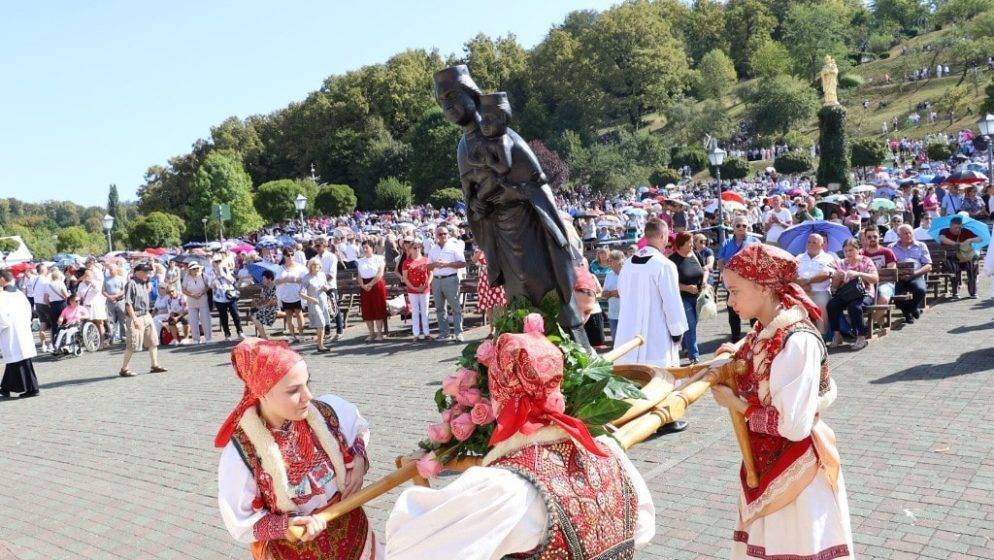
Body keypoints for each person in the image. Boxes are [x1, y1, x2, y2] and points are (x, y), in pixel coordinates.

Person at [385, 315, 655, 558]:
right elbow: (641, 529)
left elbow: (410, 550)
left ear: (497, 395)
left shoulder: (505, 487)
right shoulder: (607, 451)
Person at [712, 243, 853, 560]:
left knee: (794, 545)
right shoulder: (765, 329)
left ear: (763, 287)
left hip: (797, 470)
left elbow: (794, 425)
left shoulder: (796, 340)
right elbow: (754, 355)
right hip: (766, 463)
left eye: (735, 291)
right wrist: (733, 354)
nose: (730, 301)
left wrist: (736, 404)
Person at [216, 338, 381, 559]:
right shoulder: (242, 453)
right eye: (294, 390)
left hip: (355, 538)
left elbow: (359, 432)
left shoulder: (324, 412)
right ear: (261, 392)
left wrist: (359, 461)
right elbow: (241, 522)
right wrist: (288, 526)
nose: (308, 396)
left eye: (307, 383)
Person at [613, 219, 688, 370]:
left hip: (628, 330)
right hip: (656, 332)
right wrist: (677, 331)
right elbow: (671, 301)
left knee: (630, 377)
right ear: (663, 236)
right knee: (657, 380)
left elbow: (621, 292)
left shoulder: (627, 264)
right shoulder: (665, 265)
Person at [828, 239, 878, 350]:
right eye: (845, 251)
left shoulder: (866, 261)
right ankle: (837, 335)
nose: (848, 253)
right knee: (831, 304)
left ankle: (861, 337)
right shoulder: (840, 263)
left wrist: (858, 274)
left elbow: (875, 279)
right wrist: (837, 277)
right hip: (846, 294)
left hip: (865, 294)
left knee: (854, 306)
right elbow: (834, 286)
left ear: (858, 250)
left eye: (851, 250)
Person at [119, 263, 167, 377]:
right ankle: (124, 368)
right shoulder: (131, 284)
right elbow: (128, 304)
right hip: (135, 316)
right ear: (137, 272)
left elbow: (154, 275)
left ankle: (154, 365)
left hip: (146, 315)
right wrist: (134, 319)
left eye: (148, 272)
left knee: (153, 341)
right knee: (133, 344)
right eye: (145, 272)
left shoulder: (144, 283)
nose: (147, 274)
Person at [718, 216, 760, 341]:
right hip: (732, 284)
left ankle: (756, 337)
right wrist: (727, 274)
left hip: (750, 284)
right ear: (733, 227)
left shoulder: (755, 241)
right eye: (738, 226)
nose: (741, 228)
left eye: (744, 226)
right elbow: (720, 262)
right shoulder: (726, 243)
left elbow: (762, 260)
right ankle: (735, 338)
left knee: (754, 311)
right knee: (732, 311)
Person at [0, 269, 40, 398]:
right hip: (22, 329)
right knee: (16, 359)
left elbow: (2, 318)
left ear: (2, 279)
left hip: (11, 332)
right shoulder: (20, 294)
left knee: (20, 359)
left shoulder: (2, 296)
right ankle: (5, 387)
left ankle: (32, 388)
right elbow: (29, 311)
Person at [669, 231, 705, 364]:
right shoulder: (672, 260)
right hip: (682, 297)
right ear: (681, 243)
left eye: (692, 242)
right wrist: (686, 287)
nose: (692, 244)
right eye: (689, 242)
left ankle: (686, 345)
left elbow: (704, 269)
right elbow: (670, 282)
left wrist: (705, 281)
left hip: (698, 296)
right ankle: (694, 355)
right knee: (691, 325)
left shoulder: (695, 254)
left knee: (691, 324)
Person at [427, 226, 466, 342]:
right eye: (440, 234)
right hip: (436, 279)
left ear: (448, 234)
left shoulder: (454, 246)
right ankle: (444, 333)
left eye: (444, 233)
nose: (442, 236)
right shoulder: (433, 249)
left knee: (455, 307)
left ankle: (458, 333)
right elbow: (428, 266)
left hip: (450, 278)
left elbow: (462, 263)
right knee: (439, 308)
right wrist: (435, 265)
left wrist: (446, 264)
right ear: (436, 235)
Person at [891, 224, 932, 324]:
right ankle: (909, 313)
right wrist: (899, 274)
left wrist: (914, 274)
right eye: (905, 233)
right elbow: (889, 264)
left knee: (921, 290)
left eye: (910, 233)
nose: (909, 235)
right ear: (899, 235)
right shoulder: (892, 247)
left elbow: (928, 265)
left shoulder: (921, 245)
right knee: (894, 295)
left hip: (916, 275)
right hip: (898, 277)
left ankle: (911, 309)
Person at [795, 234, 837, 333]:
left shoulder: (828, 258)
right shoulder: (799, 257)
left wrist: (808, 280)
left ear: (822, 245)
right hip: (800, 291)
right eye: (809, 242)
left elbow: (826, 273)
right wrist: (801, 285)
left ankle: (822, 334)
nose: (811, 244)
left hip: (820, 291)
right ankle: (798, 333)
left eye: (814, 242)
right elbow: (791, 273)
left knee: (821, 304)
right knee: (791, 304)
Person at [938, 215, 979, 298]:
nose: (957, 230)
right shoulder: (944, 231)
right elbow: (942, 238)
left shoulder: (965, 231)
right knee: (953, 267)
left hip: (965, 257)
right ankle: (955, 291)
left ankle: (973, 291)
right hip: (949, 257)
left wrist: (970, 240)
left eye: (959, 227)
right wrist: (956, 244)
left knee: (973, 265)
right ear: (950, 226)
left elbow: (979, 239)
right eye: (955, 227)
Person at [356, 239, 388, 341]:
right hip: (364, 287)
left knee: (378, 308)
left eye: (367, 247)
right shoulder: (360, 261)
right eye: (363, 247)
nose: (365, 249)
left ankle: (379, 333)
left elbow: (380, 274)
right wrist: (362, 285)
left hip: (377, 285)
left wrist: (370, 284)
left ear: (372, 248)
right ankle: (371, 333)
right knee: (367, 309)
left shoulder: (379, 258)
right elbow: (359, 275)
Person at [402, 240, 432, 341]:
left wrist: (426, 284)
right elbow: (405, 277)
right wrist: (413, 288)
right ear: (410, 249)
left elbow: (431, 273)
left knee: (425, 311)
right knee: (415, 312)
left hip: (424, 289)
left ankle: (427, 333)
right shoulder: (406, 262)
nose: (417, 249)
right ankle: (416, 334)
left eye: (419, 247)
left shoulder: (426, 260)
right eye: (415, 248)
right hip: (412, 290)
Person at [300, 258, 331, 352]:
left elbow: (327, 286)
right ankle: (320, 345)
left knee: (323, 323)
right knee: (321, 323)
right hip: (313, 303)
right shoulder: (306, 277)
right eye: (313, 264)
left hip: (323, 301)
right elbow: (300, 293)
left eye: (317, 264)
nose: (316, 266)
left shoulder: (322, 275)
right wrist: (311, 299)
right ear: (310, 266)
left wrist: (326, 287)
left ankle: (320, 344)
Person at [472, 248, 506, 336]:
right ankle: (492, 329)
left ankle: (504, 327)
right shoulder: (479, 249)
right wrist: (480, 250)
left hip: (496, 275)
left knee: (501, 303)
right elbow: (474, 260)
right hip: (484, 279)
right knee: (488, 305)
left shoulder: (496, 245)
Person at [275, 249, 306, 345]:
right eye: (288, 255)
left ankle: (301, 335)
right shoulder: (280, 268)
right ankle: (292, 335)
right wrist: (284, 279)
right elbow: (276, 282)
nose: (291, 257)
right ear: (284, 256)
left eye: (292, 255)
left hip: (297, 295)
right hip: (285, 295)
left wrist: (296, 280)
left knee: (299, 314)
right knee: (288, 315)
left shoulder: (300, 267)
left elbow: (306, 279)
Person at [861, 226, 897, 307]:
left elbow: (890, 273)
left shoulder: (887, 252)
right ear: (866, 239)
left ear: (879, 237)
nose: (872, 239)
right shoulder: (861, 254)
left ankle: (872, 320)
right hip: (866, 284)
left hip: (885, 283)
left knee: (883, 298)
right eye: (869, 237)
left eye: (875, 236)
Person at [316, 237, 343, 340]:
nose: (317, 248)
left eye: (319, 246)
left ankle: (339, 331)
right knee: (323, 309)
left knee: (334, 308)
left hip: (330, 286)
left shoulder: (332, 257)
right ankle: (327, 332)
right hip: (320, 287)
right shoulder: (316, 258)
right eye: (316, 246)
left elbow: (331, 274)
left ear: (324, 245)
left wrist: (319, 280)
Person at [76, 267, 108, 348]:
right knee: (89, 324)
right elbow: (79, 295)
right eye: (85, 275)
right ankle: (92, 342)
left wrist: (92, 283)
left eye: (89, 275)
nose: (87, 277)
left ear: (92, 276)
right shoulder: (81, 284)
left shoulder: (96, 282)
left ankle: (102, 341)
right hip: (86, 306)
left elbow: (98, 290)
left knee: (99, 323)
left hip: (96, 306)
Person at [213, 263, 245, 341]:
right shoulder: (211, 272)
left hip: (230, 296)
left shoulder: (225, 270)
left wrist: (223, 275)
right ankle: (227, 334)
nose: (218, 264)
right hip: (219, 298)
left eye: (219, 261)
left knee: (235, 314)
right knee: (224, 317)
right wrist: (216, 278)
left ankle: (240, 332)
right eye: (216, 262)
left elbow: (232, 281)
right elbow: (211, 286)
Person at [183, 263, 213, 344]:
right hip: (191, 301)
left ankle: (209, 338)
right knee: (193, 321)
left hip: (203, 299)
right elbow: (184, 289)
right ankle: (196, 339)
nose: (195, 270)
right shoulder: (187, 277)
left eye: (196, 268)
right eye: (193, 269)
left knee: (205, 320)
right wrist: (192, 295)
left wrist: (202, 292)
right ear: (190, 270)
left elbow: (209, 286)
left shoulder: (204, 275)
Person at [249, 270, 279, 340]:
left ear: (270, 279)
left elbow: (273, 302)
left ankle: (264, 337)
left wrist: (261, 306)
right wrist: (258, 301)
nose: (263, 280)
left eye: (264, 279)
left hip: (275, 308)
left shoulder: (276, 288)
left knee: (255, 316)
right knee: (253, 312)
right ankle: (262, 335)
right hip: (266, 308)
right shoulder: (265, 288)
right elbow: (264, 300)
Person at [601, 249, 624, 339]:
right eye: (609, 261)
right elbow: (604, 294)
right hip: (613, 314)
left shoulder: (627, 273)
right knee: (615, 341)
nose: (609, 263)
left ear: (618, 261)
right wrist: (615, 293)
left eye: (611, 260)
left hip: (626, 314)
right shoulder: (609, 275)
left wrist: (613, 293)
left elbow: (625, 293)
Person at [44, 268, 69, 345]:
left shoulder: (48, 285)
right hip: (62, 304)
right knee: (65, 323)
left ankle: (55, 342)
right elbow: (66, 296)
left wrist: (49, 304)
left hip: (53, 305)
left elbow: (45, 299)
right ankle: (65, 342)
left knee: (54, 324)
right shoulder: (61, 284)